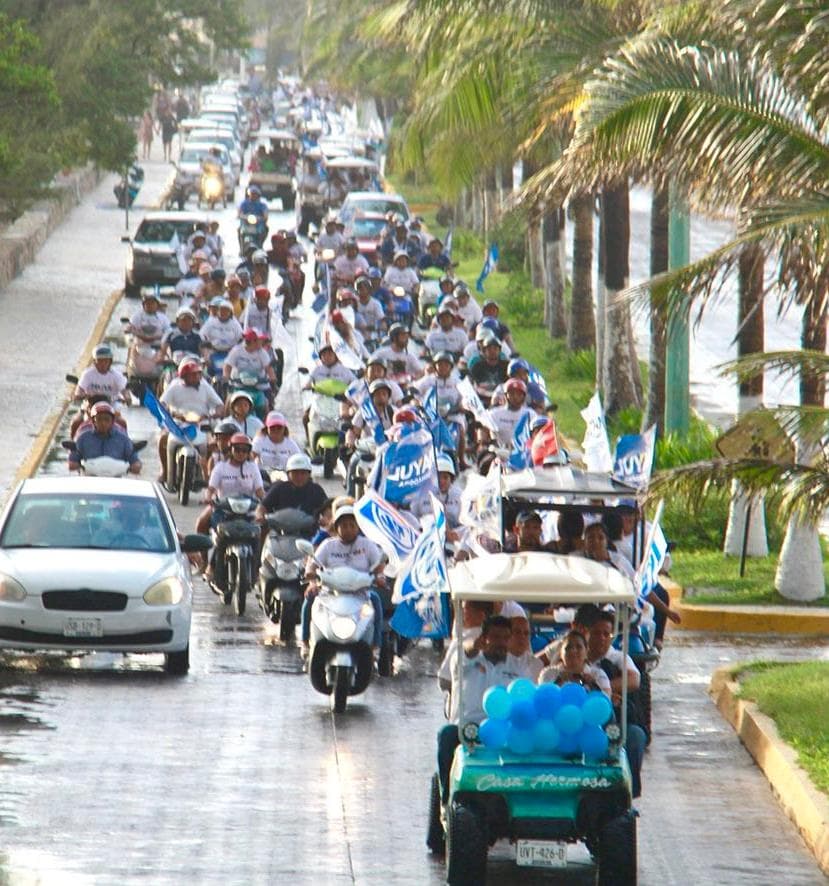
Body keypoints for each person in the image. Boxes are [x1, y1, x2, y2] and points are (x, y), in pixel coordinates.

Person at [437, 615, 530, 800]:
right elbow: (465, 655)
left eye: (505, 638)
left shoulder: (518, 668)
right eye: (495, 637)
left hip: (503, 730)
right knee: (446, 734)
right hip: (468, 729)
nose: (501, 643)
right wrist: (473, 649)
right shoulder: (465, 659)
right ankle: (446, 798)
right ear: (484, 638)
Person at [300, 503, 386, 654]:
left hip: (360, 594)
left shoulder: (367, 545)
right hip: (330, 593)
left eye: (352, 525)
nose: (348, 529)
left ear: (358, 527)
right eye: (344, 525)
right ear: (336, 527)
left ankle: (375, 645)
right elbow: (312, 565)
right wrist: (312, 582)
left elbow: (379, 563)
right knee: (309, 599)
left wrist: (379, 576)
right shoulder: (328, 545)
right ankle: (305, 641)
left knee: (376, 601)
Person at [588, 610, 647, 797]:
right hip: (576, 720)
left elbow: (634, 679)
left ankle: (628, 793)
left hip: (610, 719)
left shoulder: (617, 658)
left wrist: (603, 689)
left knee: (635, 736)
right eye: (596, 633)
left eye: (607, 634)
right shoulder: (575, 655)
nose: (601, 639)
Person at [204, 433, 266, 582]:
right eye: (237, 449)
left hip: (248, 511)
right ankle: (211, 566)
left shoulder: (253, 468)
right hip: (224, 510)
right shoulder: (220, 467)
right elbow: (211, 488)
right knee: (220, 536)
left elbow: (259, 491)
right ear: (230, 450)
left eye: (245, 450)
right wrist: (208, 498)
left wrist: (266, 503)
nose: (241, 453)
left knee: (257, 535)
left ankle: (257, 569)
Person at [157, 359, 223, 487]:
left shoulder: (205, 386)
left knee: (214, 442)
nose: (196, 377)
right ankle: (165, 471)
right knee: (162, 439)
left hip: (201, 422)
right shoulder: (174, 386)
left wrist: (215, 414)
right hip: (178, 422)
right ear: (184, 375)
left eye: (198, 374)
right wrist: (168, 412)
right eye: (193, 375)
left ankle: (206, 471)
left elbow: (219, 404)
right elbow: (163, 403)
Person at [69, 402, 141, 474]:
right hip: (90, 479)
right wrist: (74, 463)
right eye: (99, 419)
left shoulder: (123, 439)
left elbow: (133, 458)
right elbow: (74, 459)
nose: (103, 423)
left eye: (107, 419)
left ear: (112, 421)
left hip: (116, 480)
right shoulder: (83, 438)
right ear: (93, 421)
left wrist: (136, 465)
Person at [537, 629, 611, 696]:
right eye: (568, 647)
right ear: (561, 653)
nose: (573, 651)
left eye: (578, 647)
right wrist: (558, 682)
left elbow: (606, 702)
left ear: (586, 652)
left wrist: (592, 685)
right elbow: (542, 699)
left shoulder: (598, 674)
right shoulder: (548, 673)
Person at [256, 453, 327, 522]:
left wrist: (326, 518)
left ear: (309, 474)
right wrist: (260, 515)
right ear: (288, 474)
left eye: (303, 473)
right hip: (280, 529)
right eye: (295, 473)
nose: (299, 477)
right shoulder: (279, 488)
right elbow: (263, 506)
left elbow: (327, 508)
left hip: (310, 531)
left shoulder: (316, 489)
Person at [485, 378, 532, 447]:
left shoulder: (531, 414)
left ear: (524, 396)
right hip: (501, 452)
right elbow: (487, 432)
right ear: (506, 396)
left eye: (519, 394)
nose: (515, 397)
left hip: (526, 452)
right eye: (512, 394)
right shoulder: (494, 414)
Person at [508, 612, 544, 680]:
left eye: (526, 633)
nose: (522, 637)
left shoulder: (537, 664)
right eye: (517, 632)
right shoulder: (498, 661)